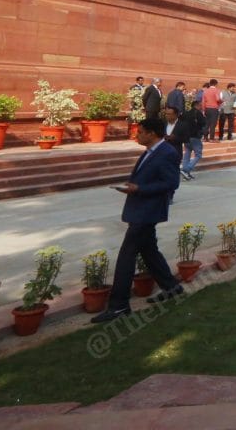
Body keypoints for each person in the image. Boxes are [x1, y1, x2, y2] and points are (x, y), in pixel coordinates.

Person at [91, 117, 184, 323]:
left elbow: (171, 183)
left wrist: (139, 189)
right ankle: (171, 286)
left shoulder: (167, 152)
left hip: (147, 212)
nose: (137, 135)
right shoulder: (150, 152)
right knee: (149, 250)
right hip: (140, 209)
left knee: (126, 256)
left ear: (152, 133)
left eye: (140, 131)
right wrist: (133, 186)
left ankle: (119, 305)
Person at [178, 99, 206, 179]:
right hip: (195, 136)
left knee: (187, 153)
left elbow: (180, 121)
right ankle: (186, 169)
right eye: (200, 105)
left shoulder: (185, 113)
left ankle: (185, 172)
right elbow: (203, 123)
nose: (201, 106)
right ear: (196, 105)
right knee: (198, 154)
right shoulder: (198, 113)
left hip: (186, 136)